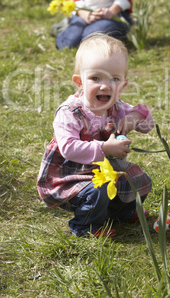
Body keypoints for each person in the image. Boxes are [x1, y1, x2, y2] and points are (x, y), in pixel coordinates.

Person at [37, 34, 154, 237]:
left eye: (114, 79)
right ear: (79, 82)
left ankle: (122, 211)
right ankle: (85, 226)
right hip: (71, 176)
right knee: (97, 190)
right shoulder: (70, 112)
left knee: (137, 178)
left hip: (105, 171)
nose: (105, 85)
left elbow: (148, 125)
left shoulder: (116, 107)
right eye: (95, 78)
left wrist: (135, 117)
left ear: (123, 85)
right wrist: (104, 149)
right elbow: (68, 148)